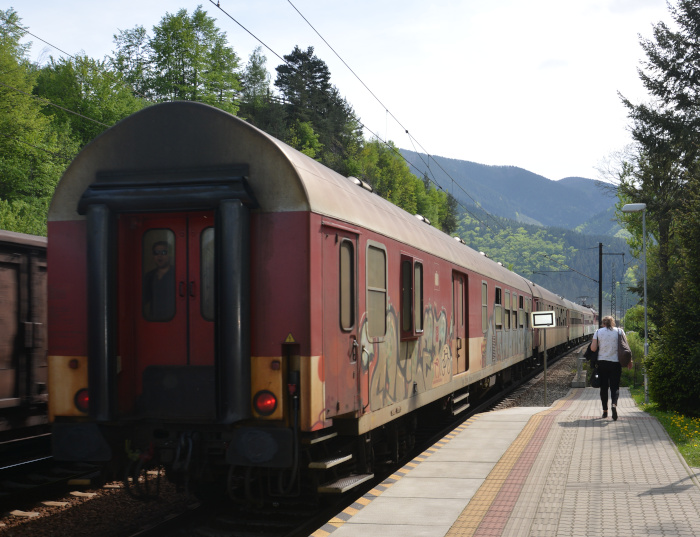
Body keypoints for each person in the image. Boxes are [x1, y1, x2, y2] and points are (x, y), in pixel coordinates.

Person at [590, 316, 629, 420]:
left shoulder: (598, 332)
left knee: (604, 388)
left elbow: (593, 348)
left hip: (602, 363)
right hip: (615, 363)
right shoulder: (620, 331)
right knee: (614, 387)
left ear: (603, 323)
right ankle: (614, 404)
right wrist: (630, 361)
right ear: (613, 323)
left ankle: (605, 411)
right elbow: (626, 347)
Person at [143, 240, 175, 321]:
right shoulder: (149, 276)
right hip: (155, 321)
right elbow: (144, 298)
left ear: (170, 255)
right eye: (156, 253)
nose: (160, 255)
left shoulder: (176, 274)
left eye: (164, 252)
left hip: (173, 319)